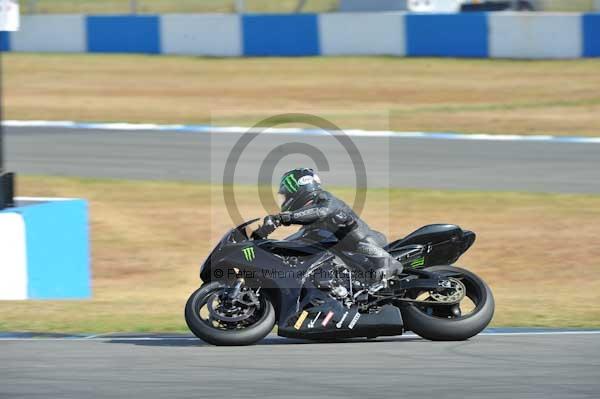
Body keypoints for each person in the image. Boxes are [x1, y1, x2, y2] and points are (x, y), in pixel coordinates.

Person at [252, 168, 402, 284]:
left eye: (287, 195)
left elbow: (321, 212)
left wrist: (282, 218)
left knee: (344, 223)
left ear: (298, 189)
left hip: (369, 243)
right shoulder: (309, 226)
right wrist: (263, 244)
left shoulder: (324, 199)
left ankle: (386, 263)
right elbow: (292, 243)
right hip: (348, 263)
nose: (285, 200)